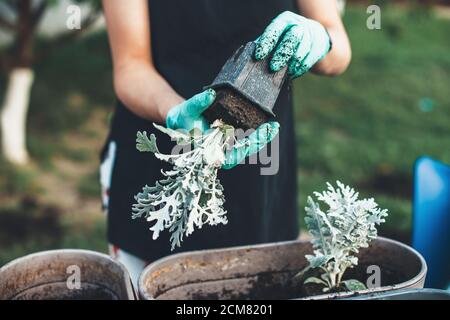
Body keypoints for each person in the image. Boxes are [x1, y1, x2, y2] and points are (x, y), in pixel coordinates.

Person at [101, 0, 351, 286]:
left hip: (262, 167)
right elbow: (130, 66)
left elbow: (339, 49)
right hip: (163, 165)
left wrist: (320, 38)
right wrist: (174, 111)